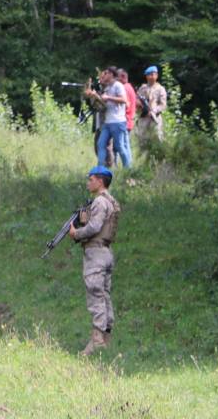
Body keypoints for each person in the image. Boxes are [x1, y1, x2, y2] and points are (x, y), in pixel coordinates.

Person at [68, 165, 121, 356]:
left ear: (100, 181)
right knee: (104, 295)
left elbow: (95, 226)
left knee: (96, 295)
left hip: (96, 254)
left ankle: (97, 342)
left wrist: (76, 233)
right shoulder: (111, 201)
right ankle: (105, 340)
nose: (88, 182)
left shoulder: (100, 201)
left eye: (91, 179)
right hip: (105, 252)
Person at [85, 67, 131, 169]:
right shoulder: (107, 88)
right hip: (107, 122)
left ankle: (128, 169)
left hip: (118, 121)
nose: (103, 76)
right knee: (100, 144)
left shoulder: (118, 85)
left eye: (106, 73)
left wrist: (109, 98)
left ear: (111, 74)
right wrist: (94, 96)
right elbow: (102, 105)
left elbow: (124, 99)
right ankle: (100, 168)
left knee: (120, 147)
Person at [136, 66, 168, 142]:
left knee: (157, 139)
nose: (150, 77)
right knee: (142, 140)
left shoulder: (160, 89)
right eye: (148, 75)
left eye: (152, 74)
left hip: (155, 118)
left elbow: (163, 105)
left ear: (156, 75)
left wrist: (154, 110)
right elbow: (137, 100)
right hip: (143, 117)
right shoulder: (142, 88)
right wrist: (139, 105)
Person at [117, 68, 137, 163]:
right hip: (128, 121)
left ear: (123, 77)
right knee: (125, 145)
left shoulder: (124, 88)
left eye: (117, 77)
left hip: (125, 121)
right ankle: (128, 168)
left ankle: (128, 168)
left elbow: (125, 106)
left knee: (123, 146)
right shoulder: (130, 87)